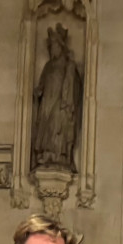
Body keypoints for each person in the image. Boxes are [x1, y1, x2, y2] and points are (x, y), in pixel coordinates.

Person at [32, 24, 83, 171]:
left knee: (57, 127)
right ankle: (46, 154)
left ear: (60, 47)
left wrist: (68, 102)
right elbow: (42, 83)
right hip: (47, 103)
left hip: (61, 104)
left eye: (54, 46)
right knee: (46, 129)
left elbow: (75, 87)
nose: (52, 49)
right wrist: (38, 92)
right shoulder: (48, 66)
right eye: (50, 47)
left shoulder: (68, 65)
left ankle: (59, 156)